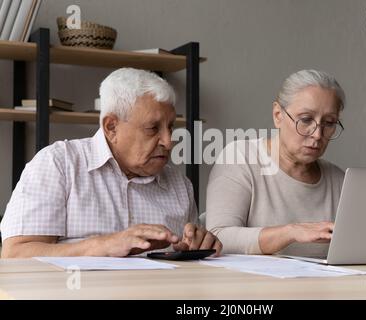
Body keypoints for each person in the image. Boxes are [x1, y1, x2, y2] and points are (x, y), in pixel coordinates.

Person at [1, 68, 222, 258]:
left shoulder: (179, 185)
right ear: (111, 127)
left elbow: (188, 260)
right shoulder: (59, 165)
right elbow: (15, 254)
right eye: (153, 128)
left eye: (170, 127)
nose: (168, 141)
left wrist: (197, 246)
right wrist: (103, 245)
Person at [206, 70, 345, 257]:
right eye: (305, 120)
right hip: (252, 285)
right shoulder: (241, 158)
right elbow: (218, 237)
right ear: (278, 115)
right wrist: (291, 232)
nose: (317, 134)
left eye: (329, 123)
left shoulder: (338, 180)